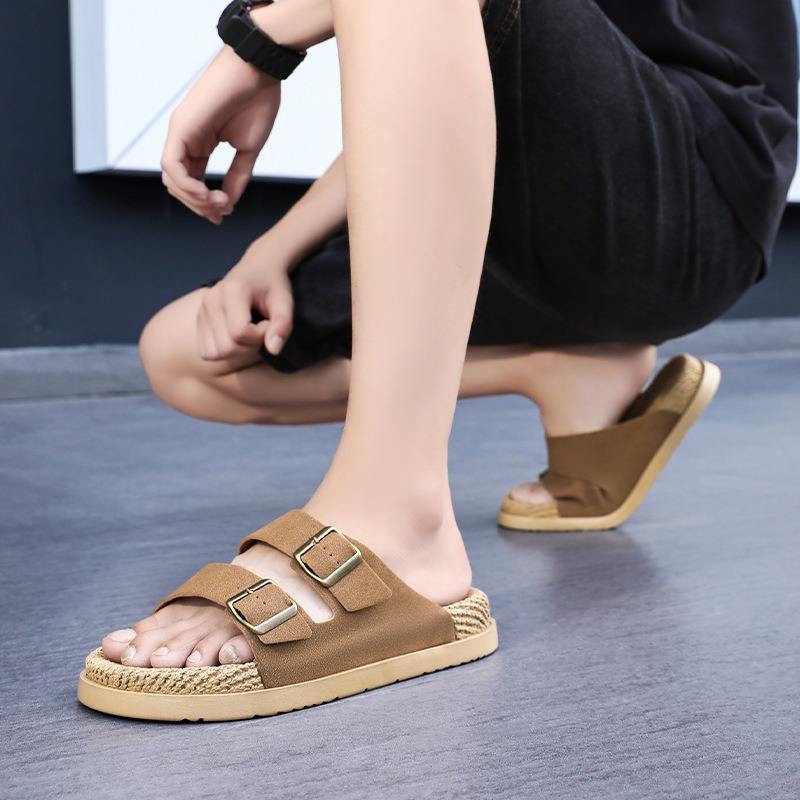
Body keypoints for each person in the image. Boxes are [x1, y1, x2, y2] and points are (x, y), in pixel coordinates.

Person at [77, 0, 797, 721]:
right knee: (186, 351)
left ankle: (398, 518)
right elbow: (446, 63)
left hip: (688, 191)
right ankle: (557, 366)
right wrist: (273, 247)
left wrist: (259, 39)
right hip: (519, 204)